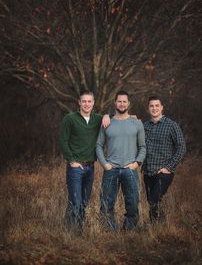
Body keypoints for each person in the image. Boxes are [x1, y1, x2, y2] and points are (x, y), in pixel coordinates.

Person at [59, 90, 110, 230]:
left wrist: (106, 115)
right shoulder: (70, 118)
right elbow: (63, 141)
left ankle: (75, 229)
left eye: (89, 101)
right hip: (75, 167)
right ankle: (73, 232)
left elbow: (115, 118)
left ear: (93, 103)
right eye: (84, 101)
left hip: (90, 167)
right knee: (75, 201)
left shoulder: (97, 119)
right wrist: (71, 161)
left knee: (84, 201)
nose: (87, 104)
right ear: (79, 102)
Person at [96, 91, 146, 231]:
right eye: (119, 101)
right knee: (106, 204)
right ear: (115, 103)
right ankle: (111, 233)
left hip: (130, 170)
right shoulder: (107, 122)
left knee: (133, 204)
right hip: (111, 170)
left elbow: (142, 147)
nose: (122, 104)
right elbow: (99, 145)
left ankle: (128, 232)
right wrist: (105, 164)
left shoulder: (137, 123)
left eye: (124, 101)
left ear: (129, 103)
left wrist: (136, 164)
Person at [142, 96, 186, 224]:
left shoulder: (171, 125)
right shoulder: (144, 126)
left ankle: (157, 228)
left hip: (163, 172)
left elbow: (181, 147)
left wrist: (168, 167)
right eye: (151, 106)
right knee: (152, 203)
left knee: (155, 200)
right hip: (148, 172)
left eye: (157, 105)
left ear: (162, 107)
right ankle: (158, 229)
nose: (154, 108)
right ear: (148, 108)